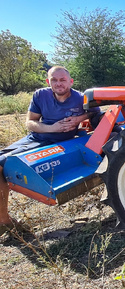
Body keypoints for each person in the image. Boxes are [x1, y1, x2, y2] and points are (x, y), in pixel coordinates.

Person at [0, 66, 100, 233]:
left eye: (62, 80)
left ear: (70, 82)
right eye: (54, 80)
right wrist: (52, 128)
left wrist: (77, 120)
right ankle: (4, 221)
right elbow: (30, 122)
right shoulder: (40, 95)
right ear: (48, 81)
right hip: (38, 139)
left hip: (62, 142)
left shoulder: (80, 98)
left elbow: (94, 112)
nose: (58, 83)